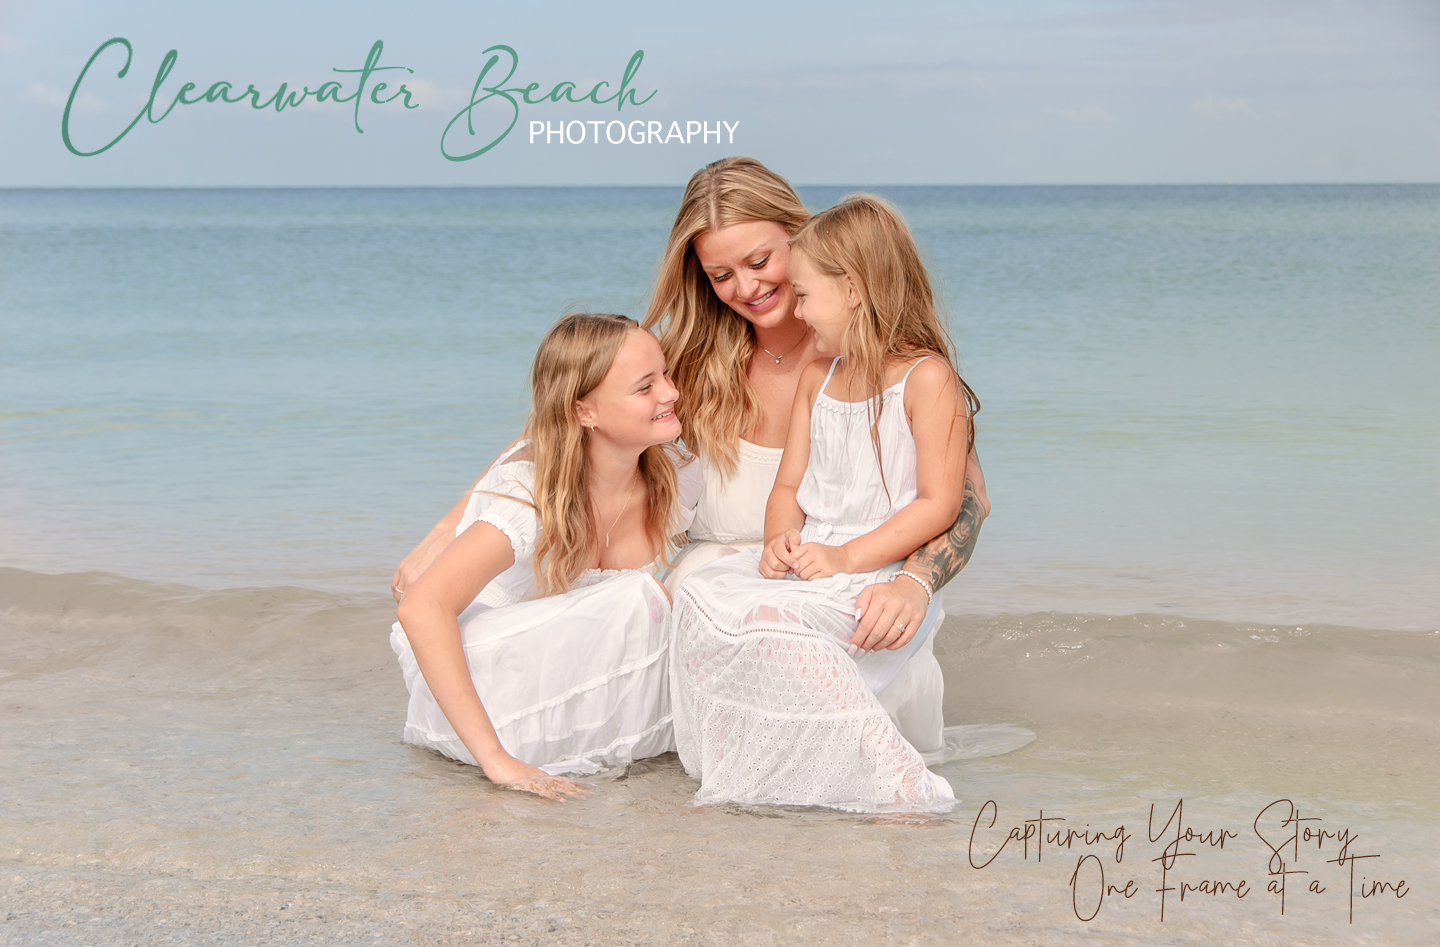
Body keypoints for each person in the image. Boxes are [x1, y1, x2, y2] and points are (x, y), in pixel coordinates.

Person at [391, 156, 990, 753]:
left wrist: (915, 583)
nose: (748, 289)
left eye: (760, 261)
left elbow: (965, 499)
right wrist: (447, 531)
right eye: (721, 275)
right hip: (725, 592)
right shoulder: (691, 364)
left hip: (847, 591)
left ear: (803, 239)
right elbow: (559, 429)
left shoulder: (879, 362)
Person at [669, 195, 972, 812]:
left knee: (770, 623)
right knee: (700, 598)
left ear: (854, 289)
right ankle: (745, 767)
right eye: (722, 275)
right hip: (819, 557)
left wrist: (855, 562)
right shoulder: (821, 377)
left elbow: (946, 503)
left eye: (801, 292)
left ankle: (891, 779)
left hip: (874, 565)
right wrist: (782, 537)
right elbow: (790, 486)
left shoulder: (928, 380)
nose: (796, 308)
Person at [391, 313, 699, 800]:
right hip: (487, 678)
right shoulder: (532, 501)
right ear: (585, 413)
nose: (671, 392)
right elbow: (421, 607)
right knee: (638, 596)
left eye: (664, 374)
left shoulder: (678, 478)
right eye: (646, 387)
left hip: (562, 667)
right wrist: (498, 764)